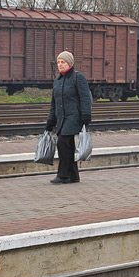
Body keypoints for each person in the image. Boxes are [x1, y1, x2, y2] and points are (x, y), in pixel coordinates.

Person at [45, 51, 92, 184]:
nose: (60, 65)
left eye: (63, 62)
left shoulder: (78, 77)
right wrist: (50, 121)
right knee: (69, 145)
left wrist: (86, 115)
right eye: (58, 62)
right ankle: (73, 176)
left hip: (74, 117)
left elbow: (85, 98)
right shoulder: (58, 80)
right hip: (62, 118)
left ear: (69, 63)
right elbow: (54, 103)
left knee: (63, 142)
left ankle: (63, 175)